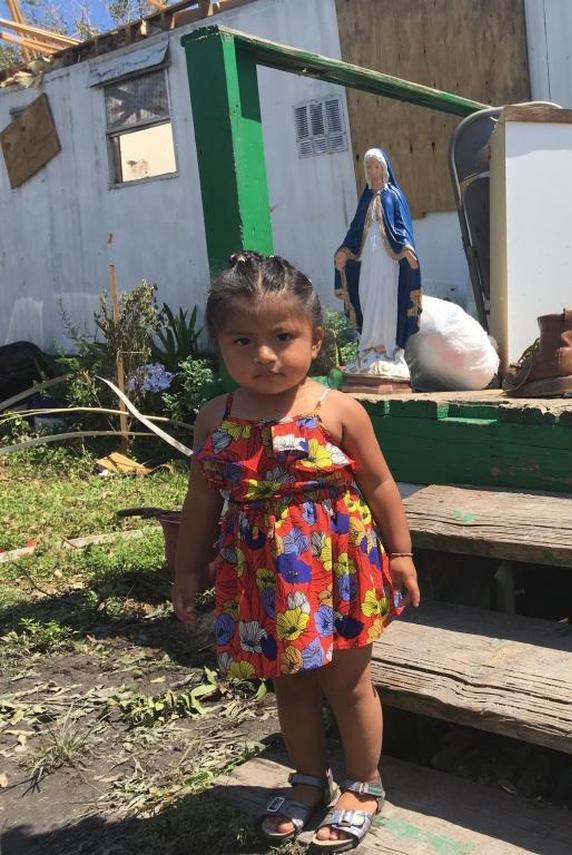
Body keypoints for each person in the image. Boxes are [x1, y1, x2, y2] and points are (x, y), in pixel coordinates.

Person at [172, 251, 421, 851]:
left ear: (316, 340)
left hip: (338, 571)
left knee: (348, 684)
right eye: (243, 340)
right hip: (262, 576)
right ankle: (309, 779)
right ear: (220, 347)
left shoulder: (338, 410)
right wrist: (186, 568)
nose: (264, 355)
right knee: (291, 685)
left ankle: (363, 784)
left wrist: (402, 553)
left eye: (283, 336)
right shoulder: (216, 418)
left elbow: (380, 483)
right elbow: (202, 501)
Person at [334, 148, 422, 380]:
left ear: (383, 169)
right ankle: (368, 345)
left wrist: (406, 249)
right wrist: (344, 250)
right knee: (366, 294)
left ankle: (388, 346)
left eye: (377, 166)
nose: (373, 171)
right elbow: (355, 229)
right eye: (369, 167)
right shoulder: (365, 198)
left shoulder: (393, 195)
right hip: (367, 257)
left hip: (388, 258)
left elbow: (402, 227)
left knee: (386, 297)